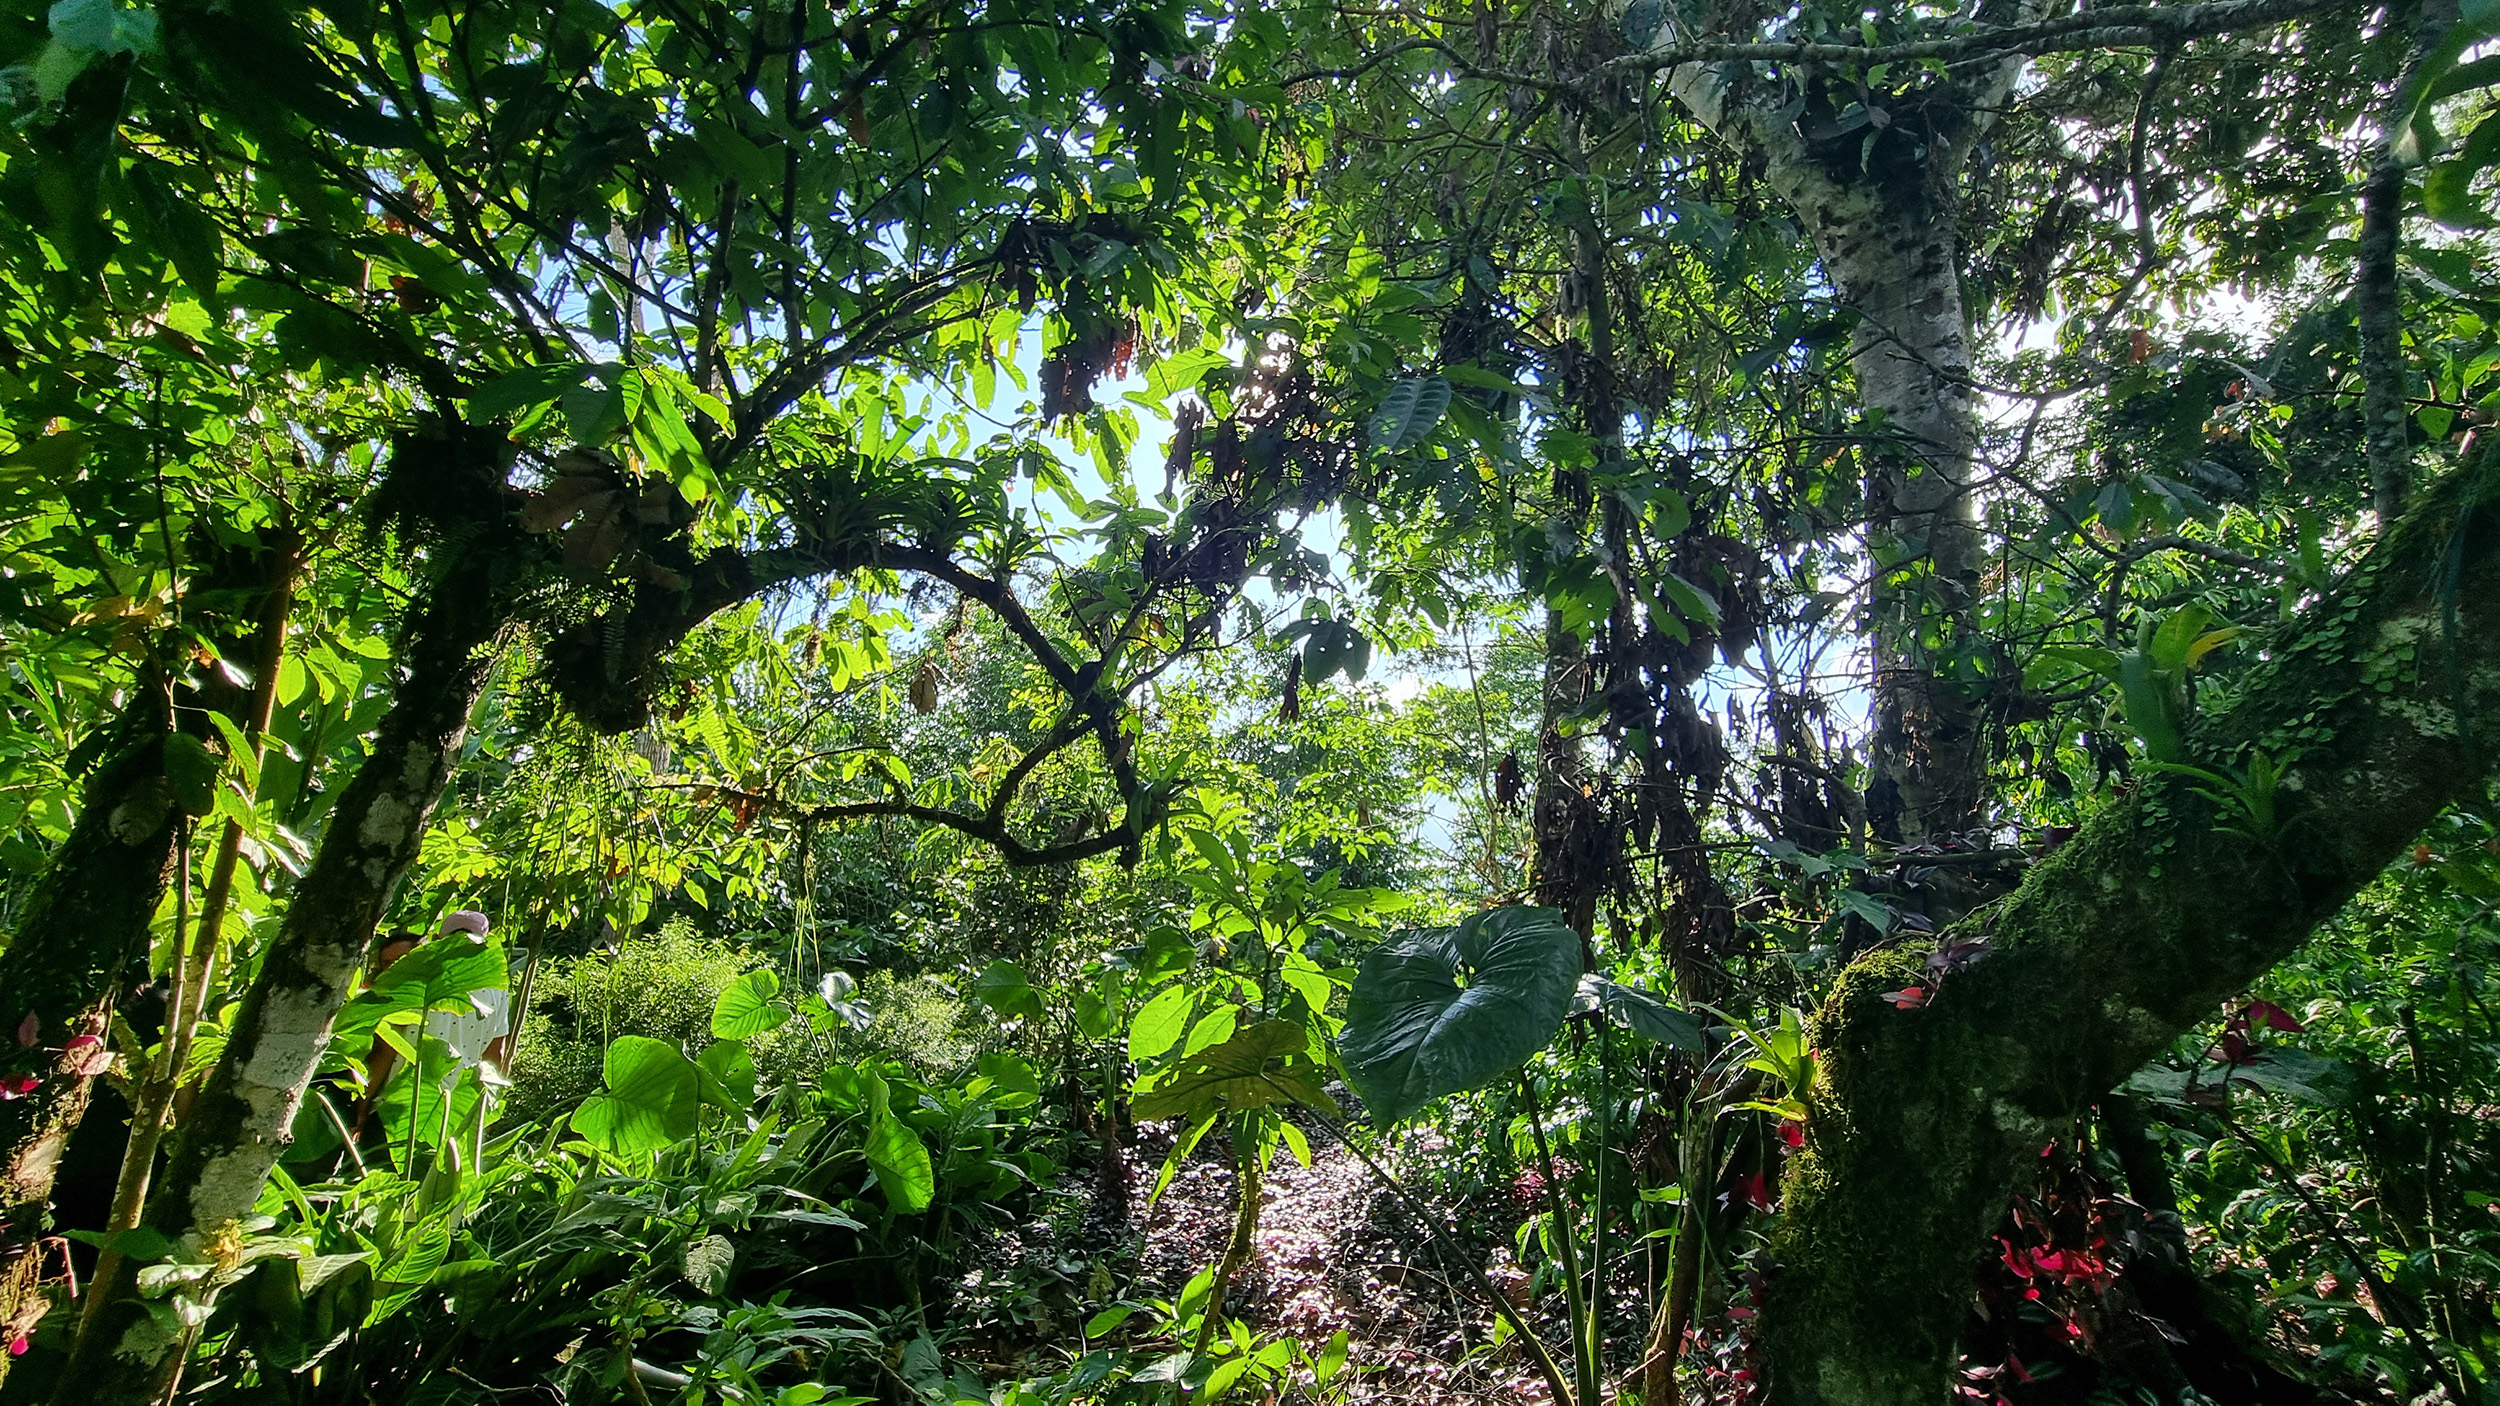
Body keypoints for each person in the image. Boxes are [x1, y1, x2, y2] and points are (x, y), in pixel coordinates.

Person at [356, 910, 510, 1136]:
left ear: (438, 940)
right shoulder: (498, 987)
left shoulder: (423, 979)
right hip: (452, 1113)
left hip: (400, 1104)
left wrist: (360, 1109)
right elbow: (495, 1056)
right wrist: (483, 1114)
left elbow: (388, 1050)